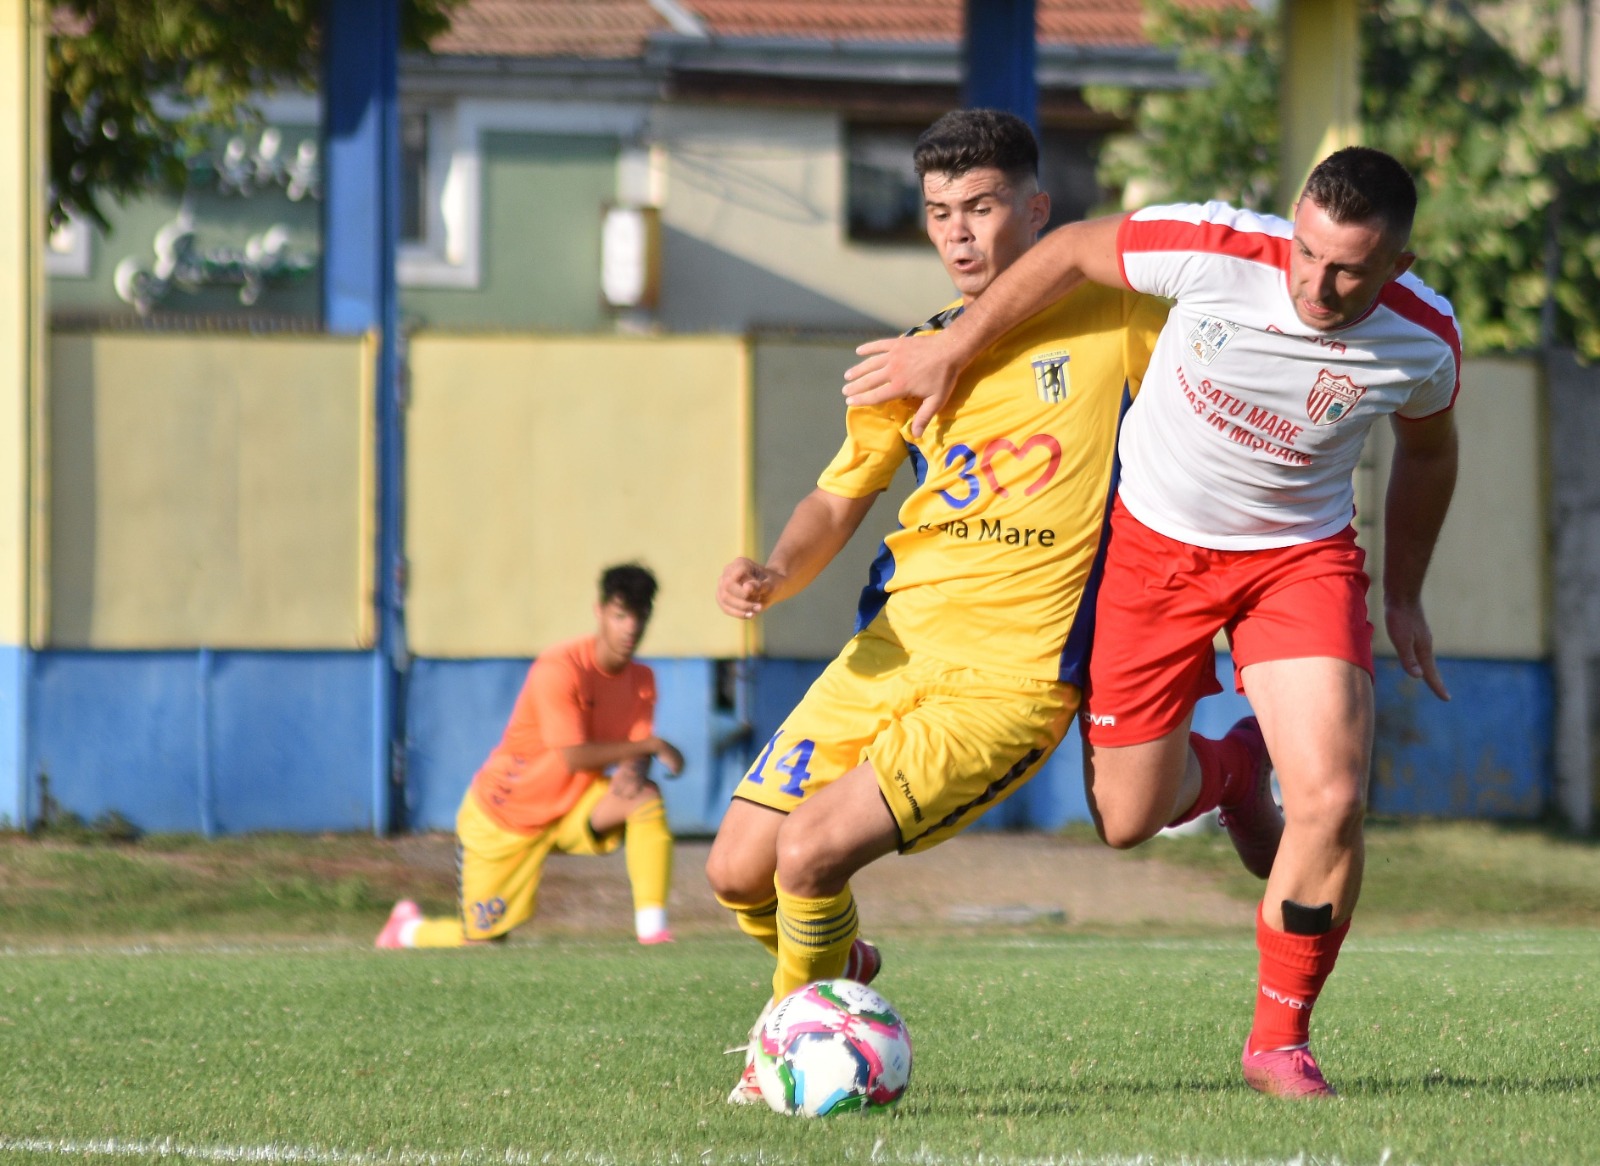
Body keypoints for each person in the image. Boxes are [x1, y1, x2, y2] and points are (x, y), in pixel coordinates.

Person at [843, 146, 1460, 1098]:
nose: (1316, 285)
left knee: (1333, 800)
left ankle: (1279, 1042)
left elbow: (1428, 452)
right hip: (1154, 549)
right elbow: (1067, 252)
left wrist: (1406, 594)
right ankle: (1234, 771)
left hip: (1298, 559)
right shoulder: (1214, 248)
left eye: (1349, 270)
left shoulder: (1424, 339)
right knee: (1128, 821)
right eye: (1306, 253)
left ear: (1398, 266)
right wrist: (951, 347)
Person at [706, 108, 1169, 1103]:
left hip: (1008, 680)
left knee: (809, 849)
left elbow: (1189, 286)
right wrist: (775, 569)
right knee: (737, 870)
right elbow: (839, 498)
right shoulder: (910, 358)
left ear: (1037, 210)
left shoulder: (1116, 319)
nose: (958, 232)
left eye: (982, 206)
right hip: (892, 650)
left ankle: (779, 1057)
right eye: (938, 211)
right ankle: (839, 962)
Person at [376, 563, 684, 949]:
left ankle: (652, 931)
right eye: (621, 615)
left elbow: (635, 747)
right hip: (504, 818)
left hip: (571, 809)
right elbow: (574, 756)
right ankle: (407, 931)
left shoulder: (642, 680)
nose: (631, 628)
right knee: (483, 945)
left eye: (640, 616)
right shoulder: (561, 668)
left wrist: (635, 768)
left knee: (644, 797)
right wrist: (650, 747)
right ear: (599, 611)